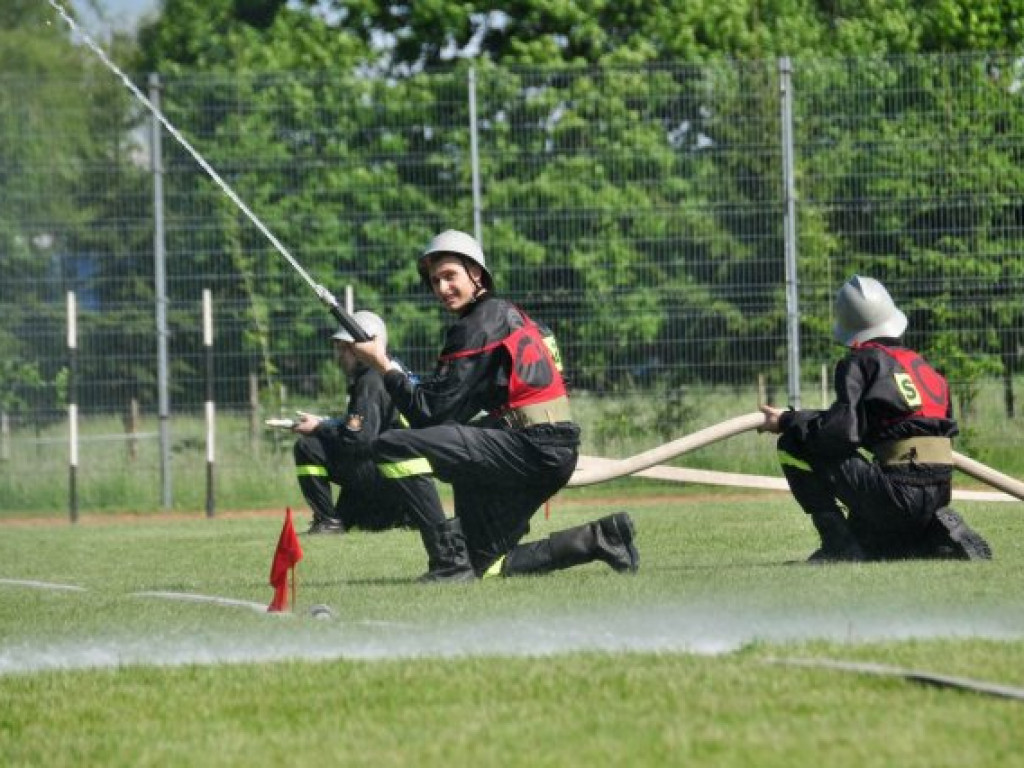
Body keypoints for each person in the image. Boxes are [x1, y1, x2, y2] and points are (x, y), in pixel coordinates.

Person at [351, 229, 639, 582]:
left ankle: (447, 562)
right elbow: (457, 405)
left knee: (392, 446)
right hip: (553, 447)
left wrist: (383, 366)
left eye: (450, 276)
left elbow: (431, 414)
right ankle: (600, 538)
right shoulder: (514, 317)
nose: (441, 288)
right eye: (434, 280)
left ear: (477, 275)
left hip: (531, 446)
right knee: (483, 564)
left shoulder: (478, 324)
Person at [758, 275, 992, 563]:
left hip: (894, 494)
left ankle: (837, 544)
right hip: (939, 491)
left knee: (794, 444)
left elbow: (842, 433)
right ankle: (934, 535)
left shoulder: (860, 362)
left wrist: (788, 423)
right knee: (874, 548)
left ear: (846, 325)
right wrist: (801, 417)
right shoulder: (924, 367)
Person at [291, 311, 447, 567]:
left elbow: (360, 440)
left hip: (382, 472)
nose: (341, 355)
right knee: (360, 521)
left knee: (307, 447)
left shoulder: (370, 381)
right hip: (403, 475)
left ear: (366, 346)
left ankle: (327, 521)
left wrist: (319, 428)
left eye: (347, 348)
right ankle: (395, 515)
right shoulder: (391, 370)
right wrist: (328, 423)